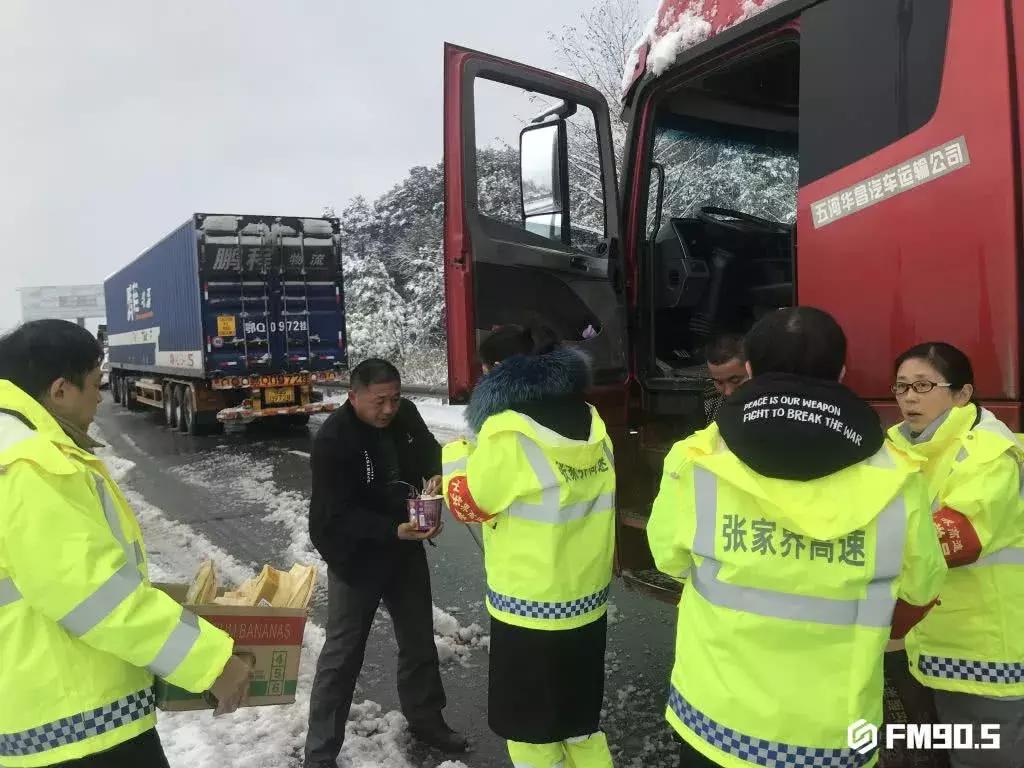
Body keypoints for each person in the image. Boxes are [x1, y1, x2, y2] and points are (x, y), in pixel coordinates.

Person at [646, 307, 948, 768]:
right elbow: (922, 586)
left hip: (716, 722)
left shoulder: (696, 459)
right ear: (842, 373)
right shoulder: (900, 478)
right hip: (831, 737)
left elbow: (667, 559)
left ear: (749, 371)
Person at [0, 320, 251, 768]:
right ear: (60, 390)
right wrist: (209, 661)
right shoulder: (29, 464)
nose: (102, 396)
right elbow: (92, 593)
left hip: (43, 710)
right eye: (96, 384)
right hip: (79, 723)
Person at [441, 325, 616, 768]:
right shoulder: (591, 419)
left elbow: (468, 505)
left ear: (495, 371)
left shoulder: (507, 431)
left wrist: (457, 455)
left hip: (529, 607)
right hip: (586, 602)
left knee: (530, 730)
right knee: (579, 724)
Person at [305, 359, 466, 767]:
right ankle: (320, 753)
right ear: (353, 396)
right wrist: (391, 530)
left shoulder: (405, 416)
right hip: (354, 557)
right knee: (343, 656)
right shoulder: (334, 440)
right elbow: (332, 517)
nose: (389, 409)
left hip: (404, 549)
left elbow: (431, 450)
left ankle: (427, 720)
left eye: (395, 399)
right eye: (380, 401)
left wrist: (434, 481)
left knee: (418, 642)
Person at [888, 342, 1024, 766]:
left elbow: (958, 537)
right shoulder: (893, 445)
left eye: (924, 386)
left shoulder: (988, 453)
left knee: (983, 760)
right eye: (901, 387)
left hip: (981, 652)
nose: (909, 397)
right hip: (919, 643)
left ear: (963, 394)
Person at [702, 333, 750, 424]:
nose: (728, 392)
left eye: (735, 381)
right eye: (719, 383)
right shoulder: (706, 406)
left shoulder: (774, 405)